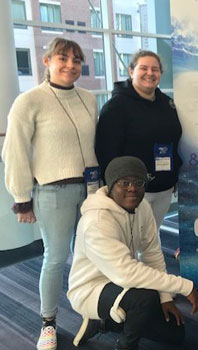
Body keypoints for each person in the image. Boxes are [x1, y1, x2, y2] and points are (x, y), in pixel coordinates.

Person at [2, 37, 97, 350]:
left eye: (76, 60)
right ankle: (48, 322)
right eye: (63, 59)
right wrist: (22, 198)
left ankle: (89, 310)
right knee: (55, 258)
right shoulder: (29, 101)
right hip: (53, 192)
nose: (70, 66)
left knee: (88, 253)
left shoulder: (89, 98)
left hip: (91, 190)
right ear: (47, 62)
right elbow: (14, 151)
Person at [68, 156, 198, 350]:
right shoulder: (96, 222)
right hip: (91, 289)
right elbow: (127, 273)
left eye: (139, 182)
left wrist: (165, 298)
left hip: (123, 284)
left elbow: (152, 254)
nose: (132, 188)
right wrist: (184, 286)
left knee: (174, 334)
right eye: (124, 183)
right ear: (112, 186)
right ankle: (126, 345)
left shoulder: (142, 207)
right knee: (144, 297)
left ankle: (103, 323)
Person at [95, 50, 182, 233]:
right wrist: (115, 187)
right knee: (130, 240)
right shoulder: (116, 106)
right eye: (144, 68)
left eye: (155, 69)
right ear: (131, 71)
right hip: (131, 190)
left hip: (163, 186)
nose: (150, 73)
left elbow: (175, 142)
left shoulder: (167, 104)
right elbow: (106, 151)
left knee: (152, 236)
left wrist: (175, 175)